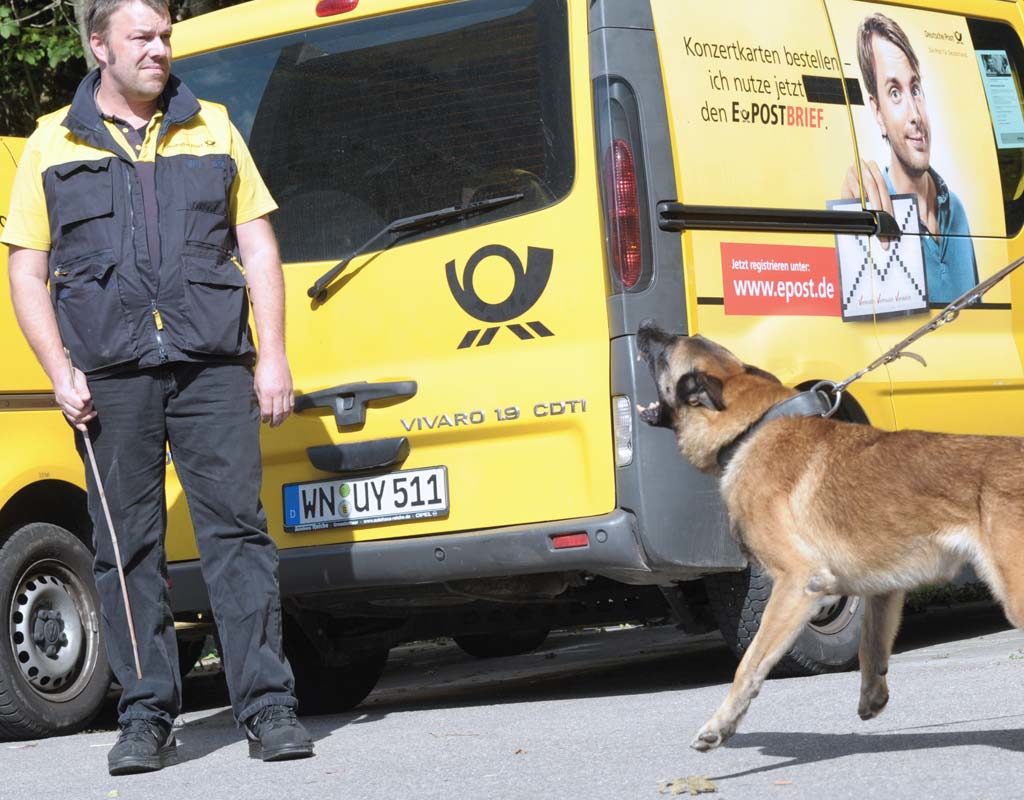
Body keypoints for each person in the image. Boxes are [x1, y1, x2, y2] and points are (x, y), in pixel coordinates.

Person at [1, 0, 313, 775]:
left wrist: (271, 356)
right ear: (99, 44)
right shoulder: (51, 142)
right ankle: (145, 716)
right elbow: (26, 270)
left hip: (211, 364)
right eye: (143, 36)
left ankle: (268, 707)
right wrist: (58, 372)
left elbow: (258, 243)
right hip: (109, 376)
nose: (159, 49)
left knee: (236, 536)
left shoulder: (212, 126)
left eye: (166, 35)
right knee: (124, 549)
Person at [840, 12, 978, 304]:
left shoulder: (957, 210)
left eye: (915, 89)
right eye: (895, 93)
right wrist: (850, 204)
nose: (915, 115)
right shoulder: (867, 212)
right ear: (877, 112)